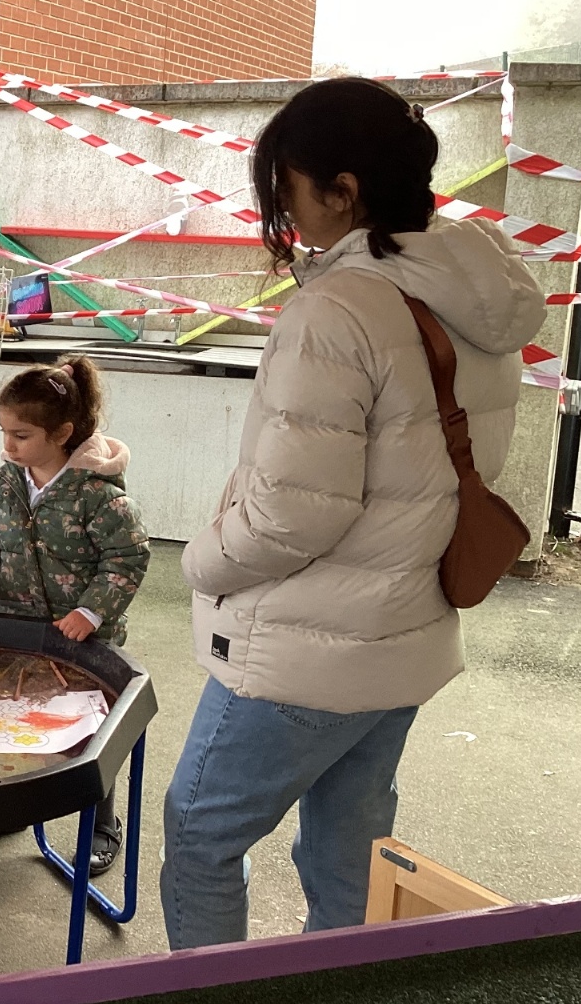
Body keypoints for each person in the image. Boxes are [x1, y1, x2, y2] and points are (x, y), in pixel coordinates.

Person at [163, 78, 547, 949]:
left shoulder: (337, 309)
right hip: (406, 638)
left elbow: (291, 518)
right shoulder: (476, 289)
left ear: (342, 190)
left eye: (290, 189)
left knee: (200, 834)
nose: (286, 212)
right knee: (350, 852)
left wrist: (199, 562)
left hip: (307, 650)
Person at [0, 357, 152, 875]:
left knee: (89, 731)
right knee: (11, 718)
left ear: (62, 433)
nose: (8, 445)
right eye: (4, 432)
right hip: (15, 626)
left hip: (83, 641)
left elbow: (127, 559)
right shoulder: (4, 483)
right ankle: (12, 810)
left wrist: (90, 611)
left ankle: (102, 824)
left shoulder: (100, 496)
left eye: (21, 435)